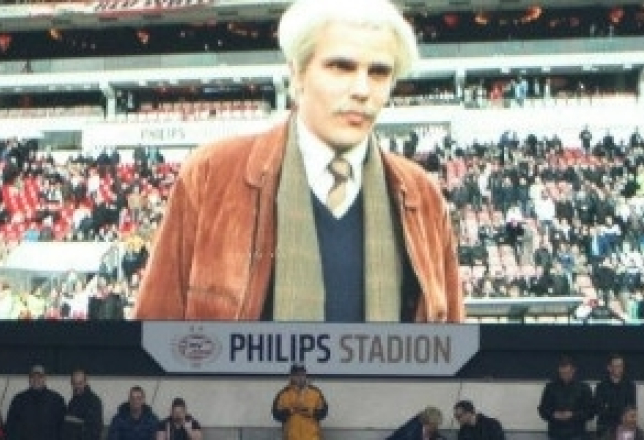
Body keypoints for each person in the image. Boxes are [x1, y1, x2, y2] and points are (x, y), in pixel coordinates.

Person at [133, 0, 464, 322]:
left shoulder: (422, 195)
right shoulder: (211, 175)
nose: (362, 90)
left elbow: (452, 345)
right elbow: (154, 333)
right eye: (341, 67)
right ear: (297, 72)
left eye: (379, 72)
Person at [538, 356, 594, 440]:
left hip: (577, 434)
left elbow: (590, 412)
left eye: (567, 373)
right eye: (562, 373)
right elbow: (543, 409)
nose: (564, 376)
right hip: (555, 433)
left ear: (574, 370)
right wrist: (553, 414)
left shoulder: (584, 388)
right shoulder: (550, 387)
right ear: (558, 370)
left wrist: (573, 415)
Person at [5, 364, 66, 440]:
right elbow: (10, 427)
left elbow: (63, 428)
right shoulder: (18, 399)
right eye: (33, 377)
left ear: (45, 378)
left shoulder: (57, 400)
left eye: (40, 377)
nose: (36, 379)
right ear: (29, 379)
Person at [272, 364, 328, 440]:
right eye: (297, 375)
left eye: (302, 374)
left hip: (312, 437)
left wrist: (310, 411)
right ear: (291, 376)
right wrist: (291, 410)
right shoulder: (283, 394)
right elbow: (276, 414)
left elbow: (323, 413)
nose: (300, 378)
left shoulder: (315, 392)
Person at [594, 354, 637, 439]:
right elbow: (599, 410)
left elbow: (631, 408)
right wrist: (620, 410)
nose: (619, 369)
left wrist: (610, 407)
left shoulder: (630, 386)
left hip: (624, 425)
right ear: (609, 368)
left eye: (621, 366)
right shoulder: (601, 387)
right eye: (616, 366)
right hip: (606, 426)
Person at [63, 369, 104, 440]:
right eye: (74, 383)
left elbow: (94, 430)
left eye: (80, 383)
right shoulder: (72, 401)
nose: (77, 386)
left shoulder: (94, 401)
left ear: (86, 382)